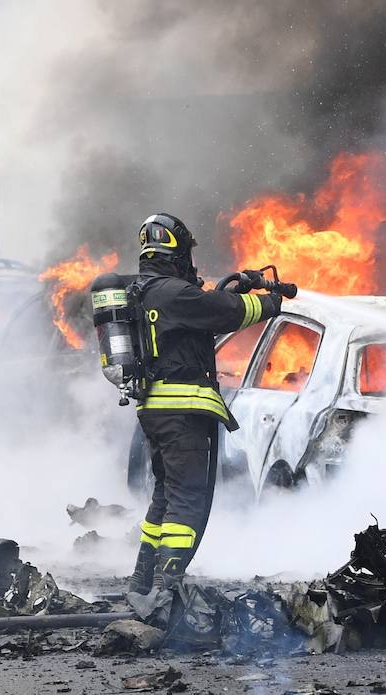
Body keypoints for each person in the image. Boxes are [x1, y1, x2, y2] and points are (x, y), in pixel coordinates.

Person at [126, 212, 286, 620]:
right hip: (182, 411)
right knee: (188, 501)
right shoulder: (173, 294)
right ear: (177, 250)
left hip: (155, 409)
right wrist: (269, 302)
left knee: (166, 495)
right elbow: (225, 313)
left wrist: (235, 286)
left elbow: (204, 308)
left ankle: (142, 581)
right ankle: (165, 590)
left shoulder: (144, 292)